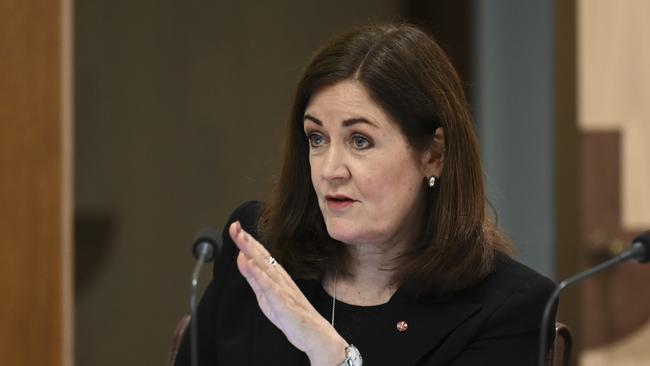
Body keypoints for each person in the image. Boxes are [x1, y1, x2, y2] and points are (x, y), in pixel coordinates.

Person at [174, 23, 556, 366]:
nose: (329, 170)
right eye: (317, 138)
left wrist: (333, 357)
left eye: (360, 141)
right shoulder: (258, 255)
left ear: (433, 155)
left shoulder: (508, 309)